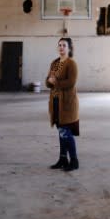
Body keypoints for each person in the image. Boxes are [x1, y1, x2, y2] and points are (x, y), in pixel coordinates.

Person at [45, 37, 79, 171]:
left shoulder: (71, 64)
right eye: (59, 45)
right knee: (61, 132)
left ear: (69, 48)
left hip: (67, 103)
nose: (61, 47)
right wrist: (49, 82)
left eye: (64, 45)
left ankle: (74, 160)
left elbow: (71, 82)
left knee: (66, 132)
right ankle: (63, 159)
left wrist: (56, 83)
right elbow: (48, 81)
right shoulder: (54, 63)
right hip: (55, 102)